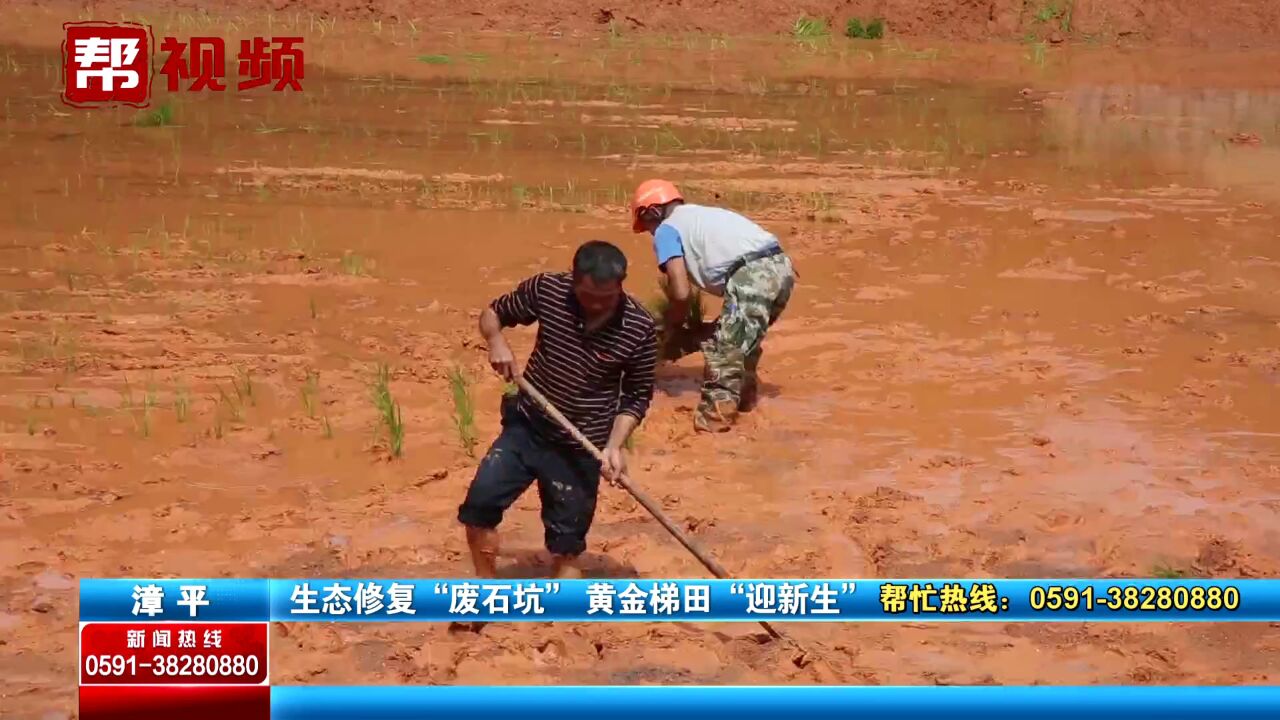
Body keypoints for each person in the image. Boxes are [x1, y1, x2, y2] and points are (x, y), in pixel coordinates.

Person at [457, 240, 657, 580]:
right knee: (479, 510)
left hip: (582, 444)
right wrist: (497, 342)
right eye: (588, 296)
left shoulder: (639, 327)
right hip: (527, 425)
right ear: (573, 280)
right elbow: (493, 314)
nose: (597, 305)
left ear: (620, 285)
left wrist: (614, 445)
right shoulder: (548, 289)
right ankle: (485, 589)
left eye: (606, 298)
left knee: (566, 546)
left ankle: (565, 616)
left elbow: (636, 397)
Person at [630, 179, 796, 433]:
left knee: (724, 353)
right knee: (741, 343)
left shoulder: (667, 229)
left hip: (751, 275)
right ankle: (745, 407)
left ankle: (712, 428)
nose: (652, 233)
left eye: (648, 226)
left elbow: (681, 292)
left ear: (652, 211)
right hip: (782, 269)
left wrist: (671, 325)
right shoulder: (703, 215)